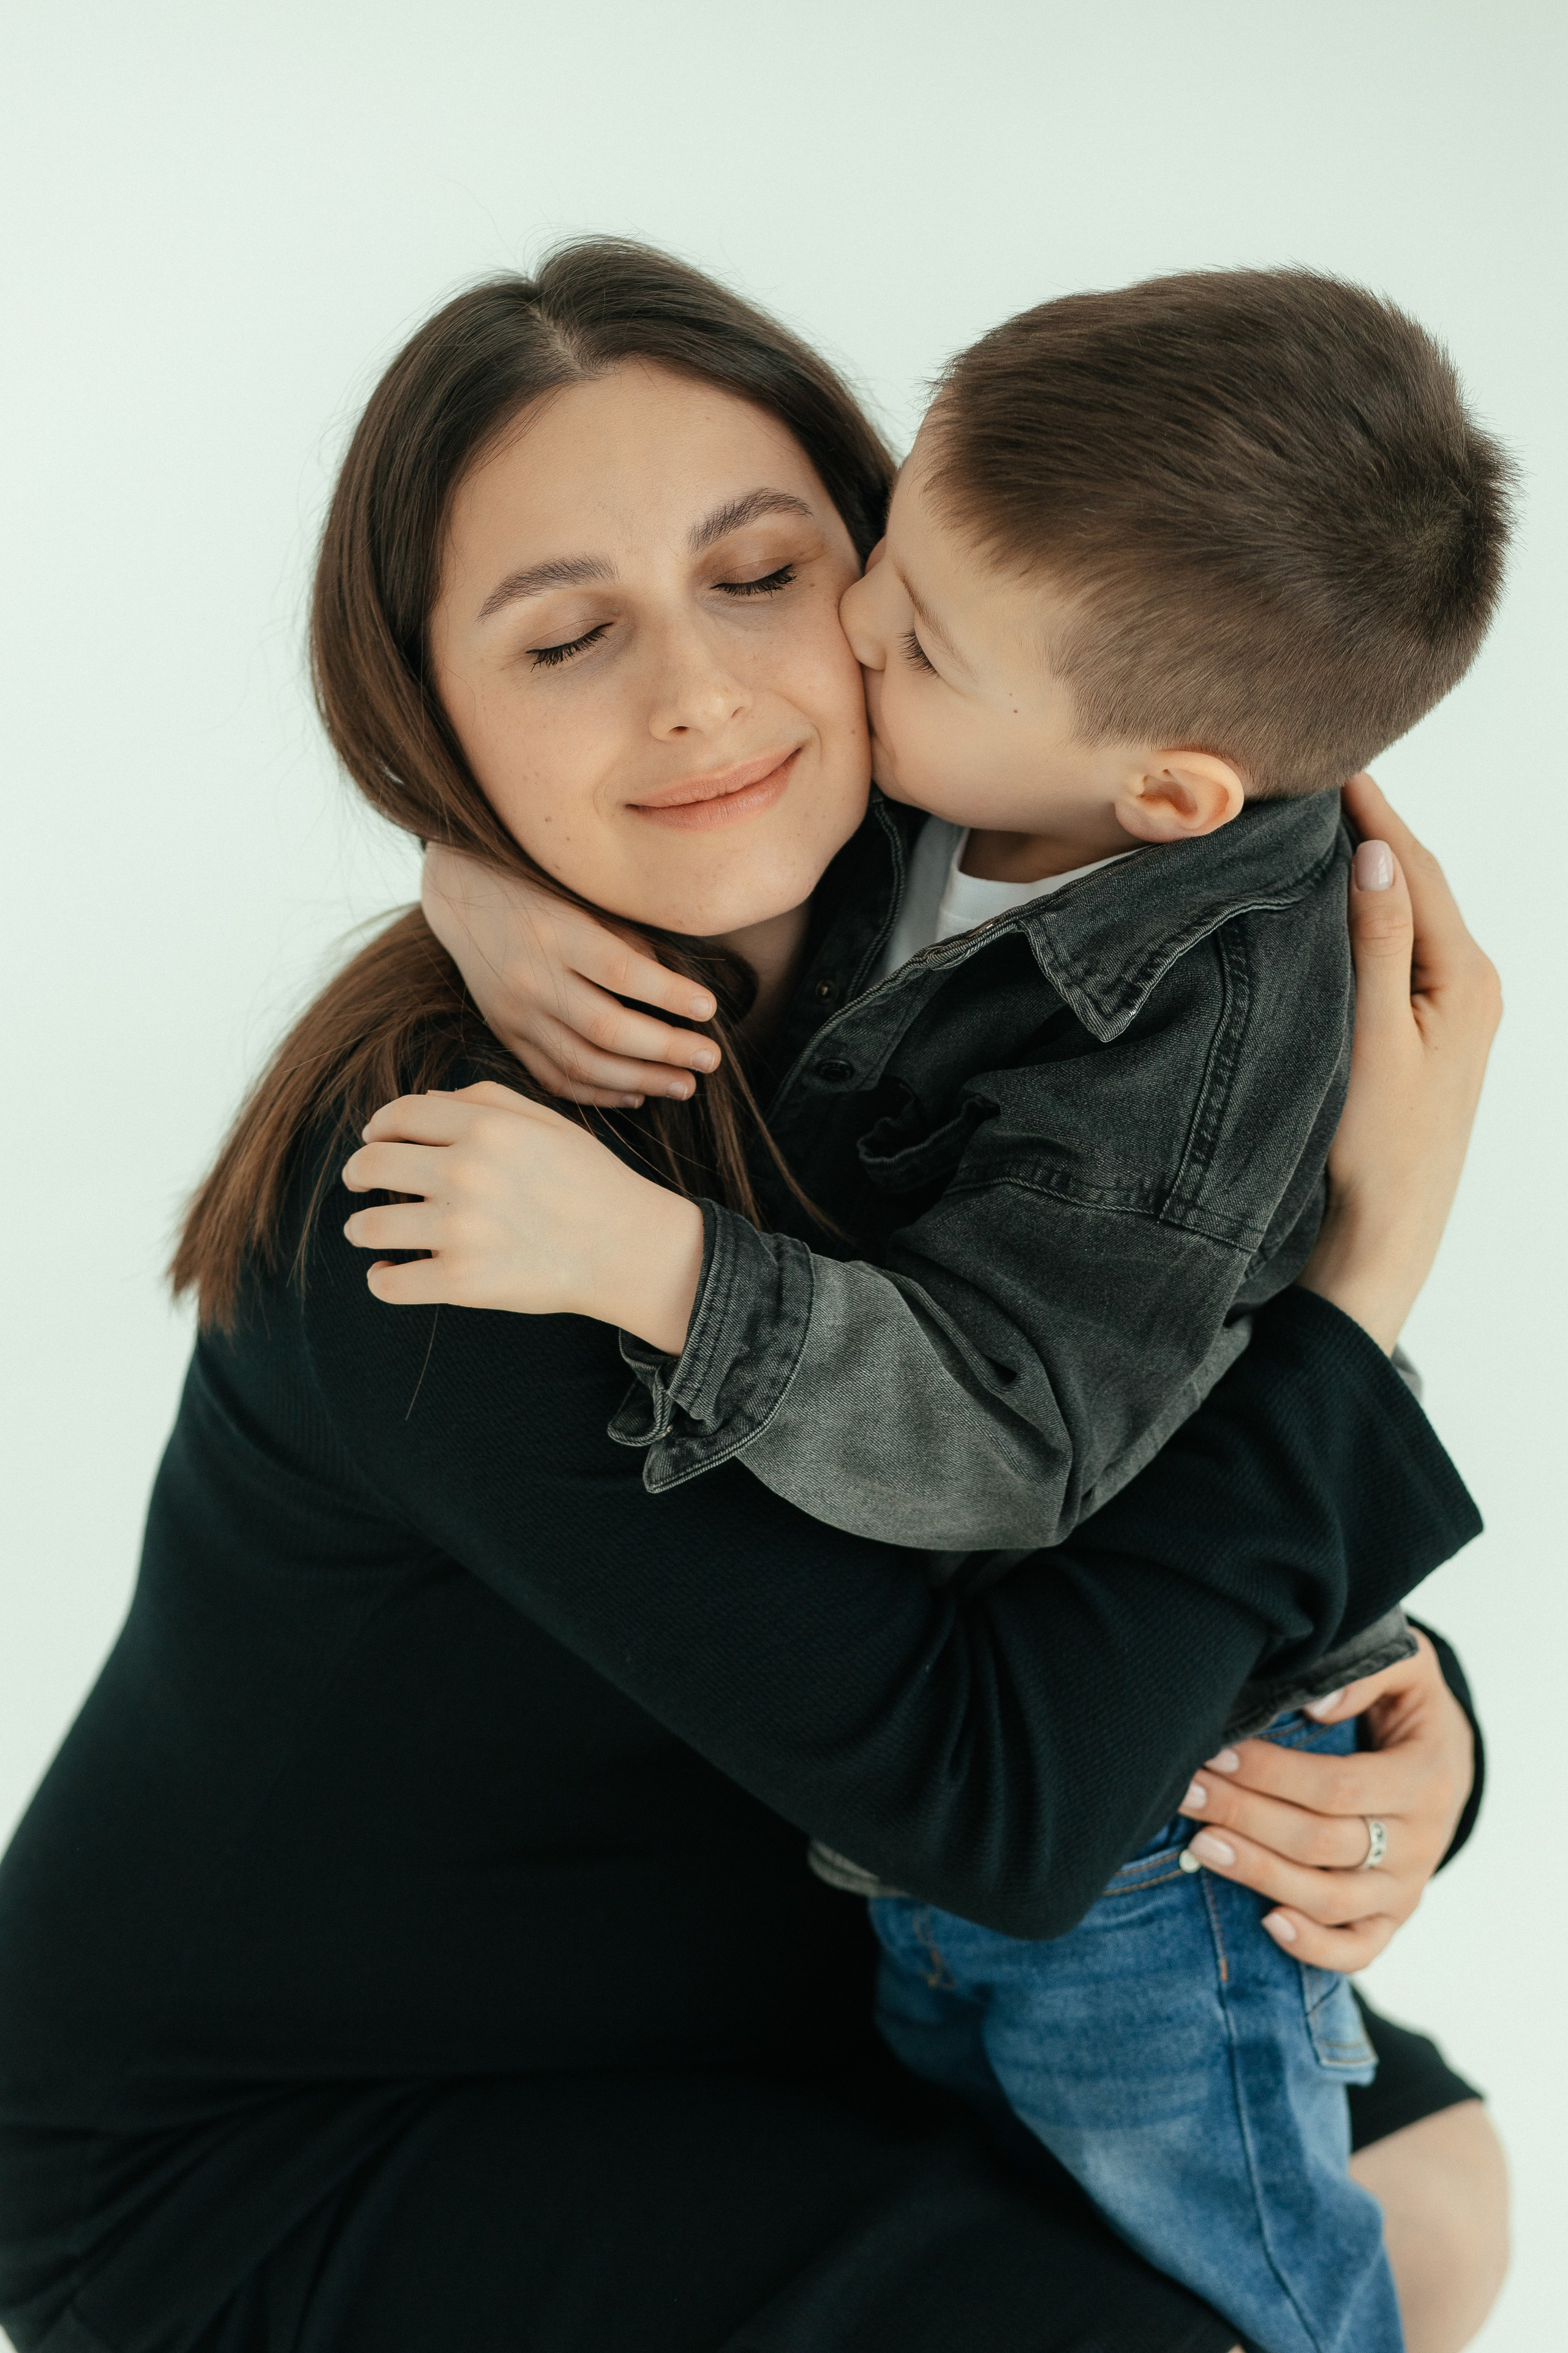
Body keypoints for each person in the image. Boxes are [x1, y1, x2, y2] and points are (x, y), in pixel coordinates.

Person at [0, 243, 1506, 2353]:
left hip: (784, 1963)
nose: (698, 693)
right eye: (563, 638)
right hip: (302, 2145)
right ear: (427, 713)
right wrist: (1369, 1279)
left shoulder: (978, 947)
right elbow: (1005, 1806)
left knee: (1434, 2188)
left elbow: (1091, 1403)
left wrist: (1392, 1730)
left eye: (762, 574)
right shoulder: (458, 1192)